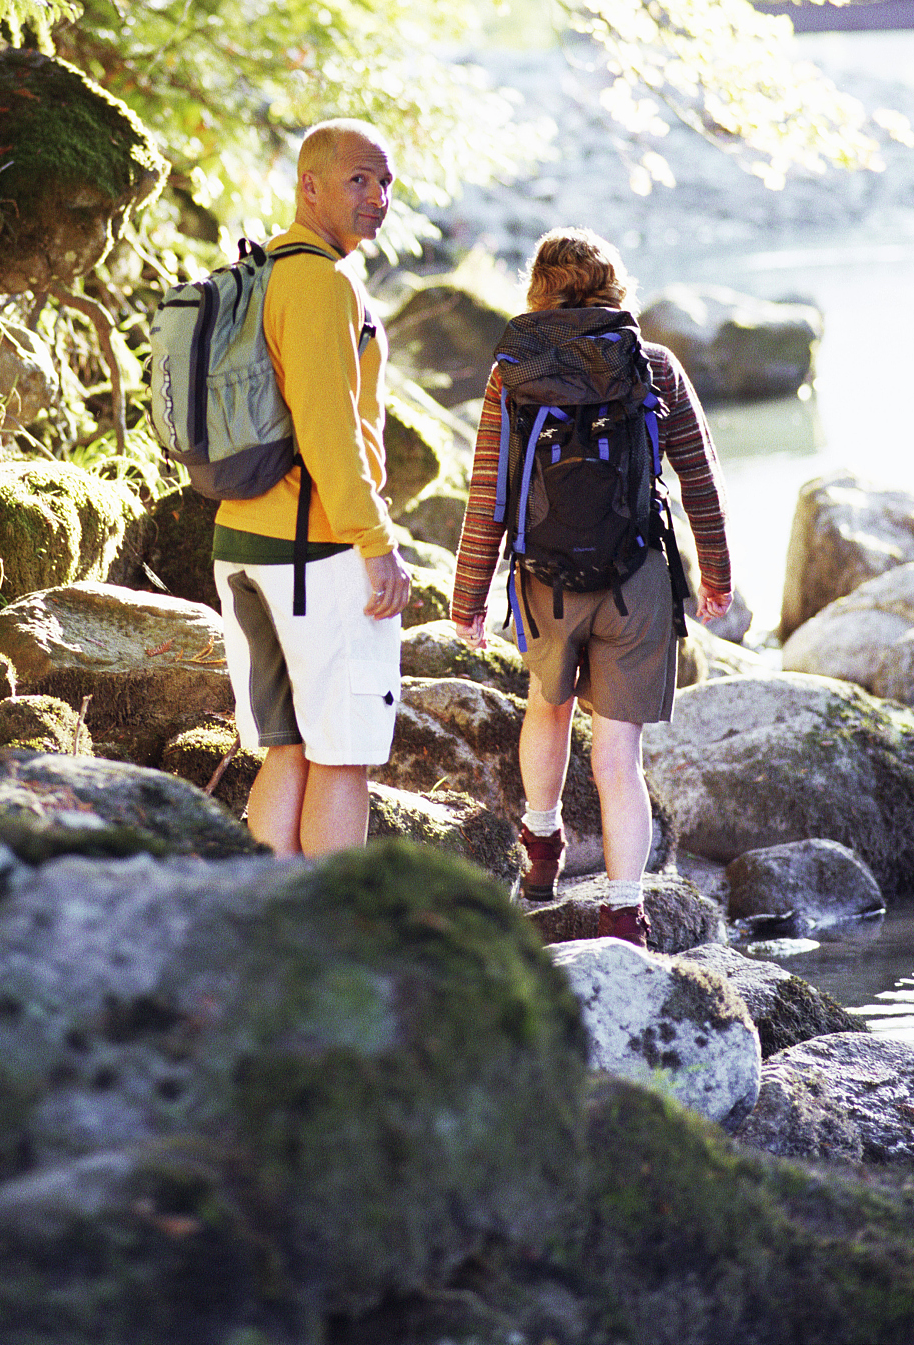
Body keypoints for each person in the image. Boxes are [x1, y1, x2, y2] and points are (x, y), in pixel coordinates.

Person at [450, 227, 733, 945]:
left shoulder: (512, 370)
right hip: (635, 579)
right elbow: (698, 478)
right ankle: (623, 909)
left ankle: (541, 848)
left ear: (537, 290)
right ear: (614, 286)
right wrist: (717, 576)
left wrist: (468, 593)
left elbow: (489, 489)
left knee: (545, 711)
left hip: (543, 582)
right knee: (617, 757)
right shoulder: (653, 364)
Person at [214, 120, 413, 857]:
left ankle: (273, 924)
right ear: (310, 186)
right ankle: (340, 937)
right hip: (315, 554)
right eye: (358, 179)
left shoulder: (260, 269)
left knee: (287, 745)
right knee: (343, 751)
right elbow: (330, 431)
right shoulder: (323, 285)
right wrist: (376, 542)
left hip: (241, 544)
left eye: (385, 181)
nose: (377, 196)